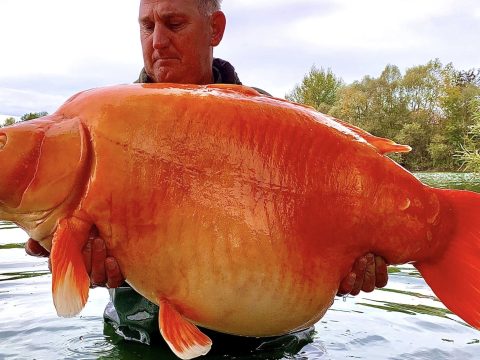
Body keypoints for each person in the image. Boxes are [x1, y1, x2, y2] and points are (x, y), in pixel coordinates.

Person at [25, 0, 388, 354]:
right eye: (147, 26)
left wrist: (347, 271)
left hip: (267, 346)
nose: (158, 41)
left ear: (215, 29)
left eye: (174, 24)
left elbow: (321, 241)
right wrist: (66, 250)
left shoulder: (278, 127)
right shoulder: (102, 122)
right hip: (140, 339)